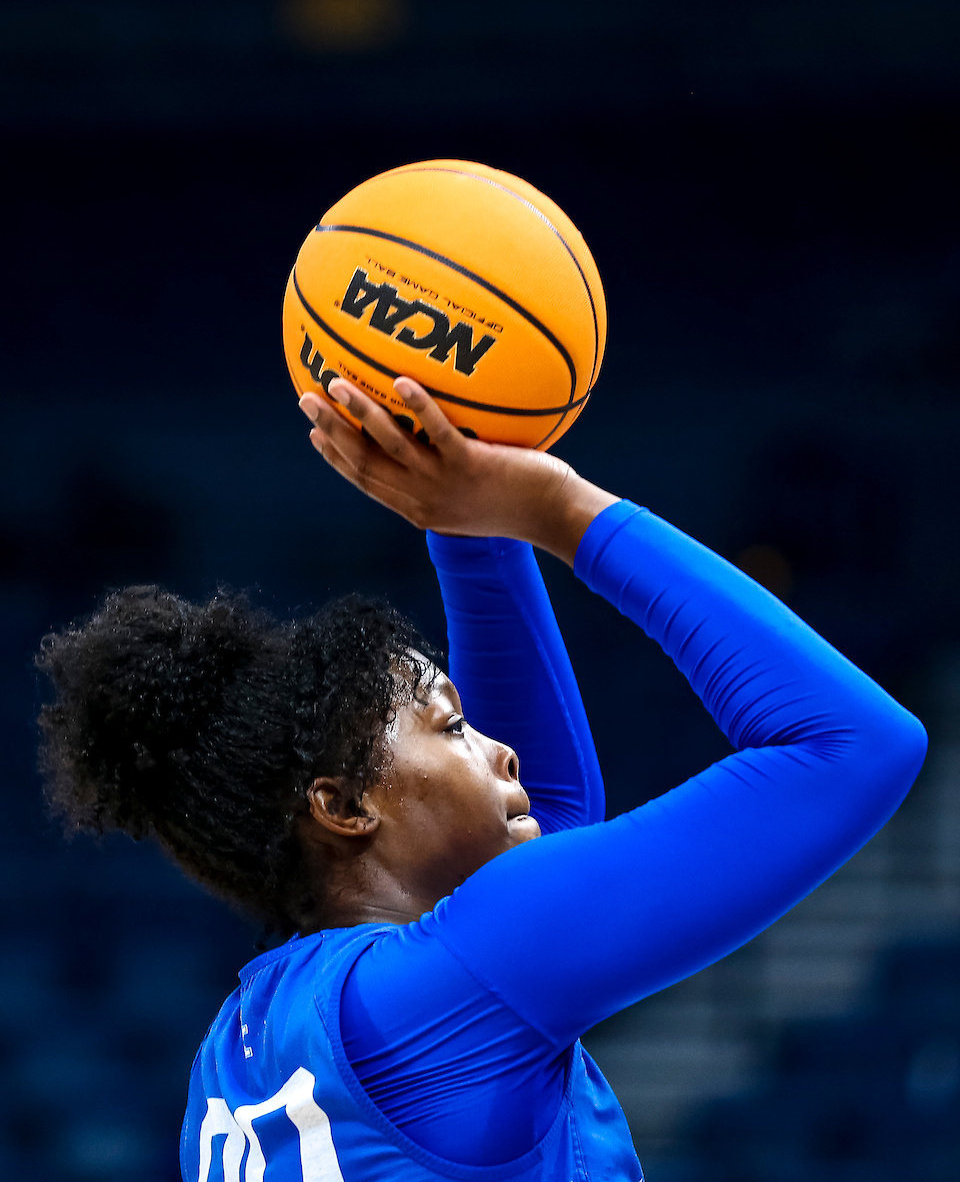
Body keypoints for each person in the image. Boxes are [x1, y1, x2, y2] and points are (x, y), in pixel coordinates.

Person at [37, 376, 927, 1182]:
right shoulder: (464, 978)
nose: (502, 753)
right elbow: (855, 744)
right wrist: (557, 508)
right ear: (343, 807)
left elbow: (552, 822)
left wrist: (463, 516)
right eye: (452, 726)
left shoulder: (234, 1054)